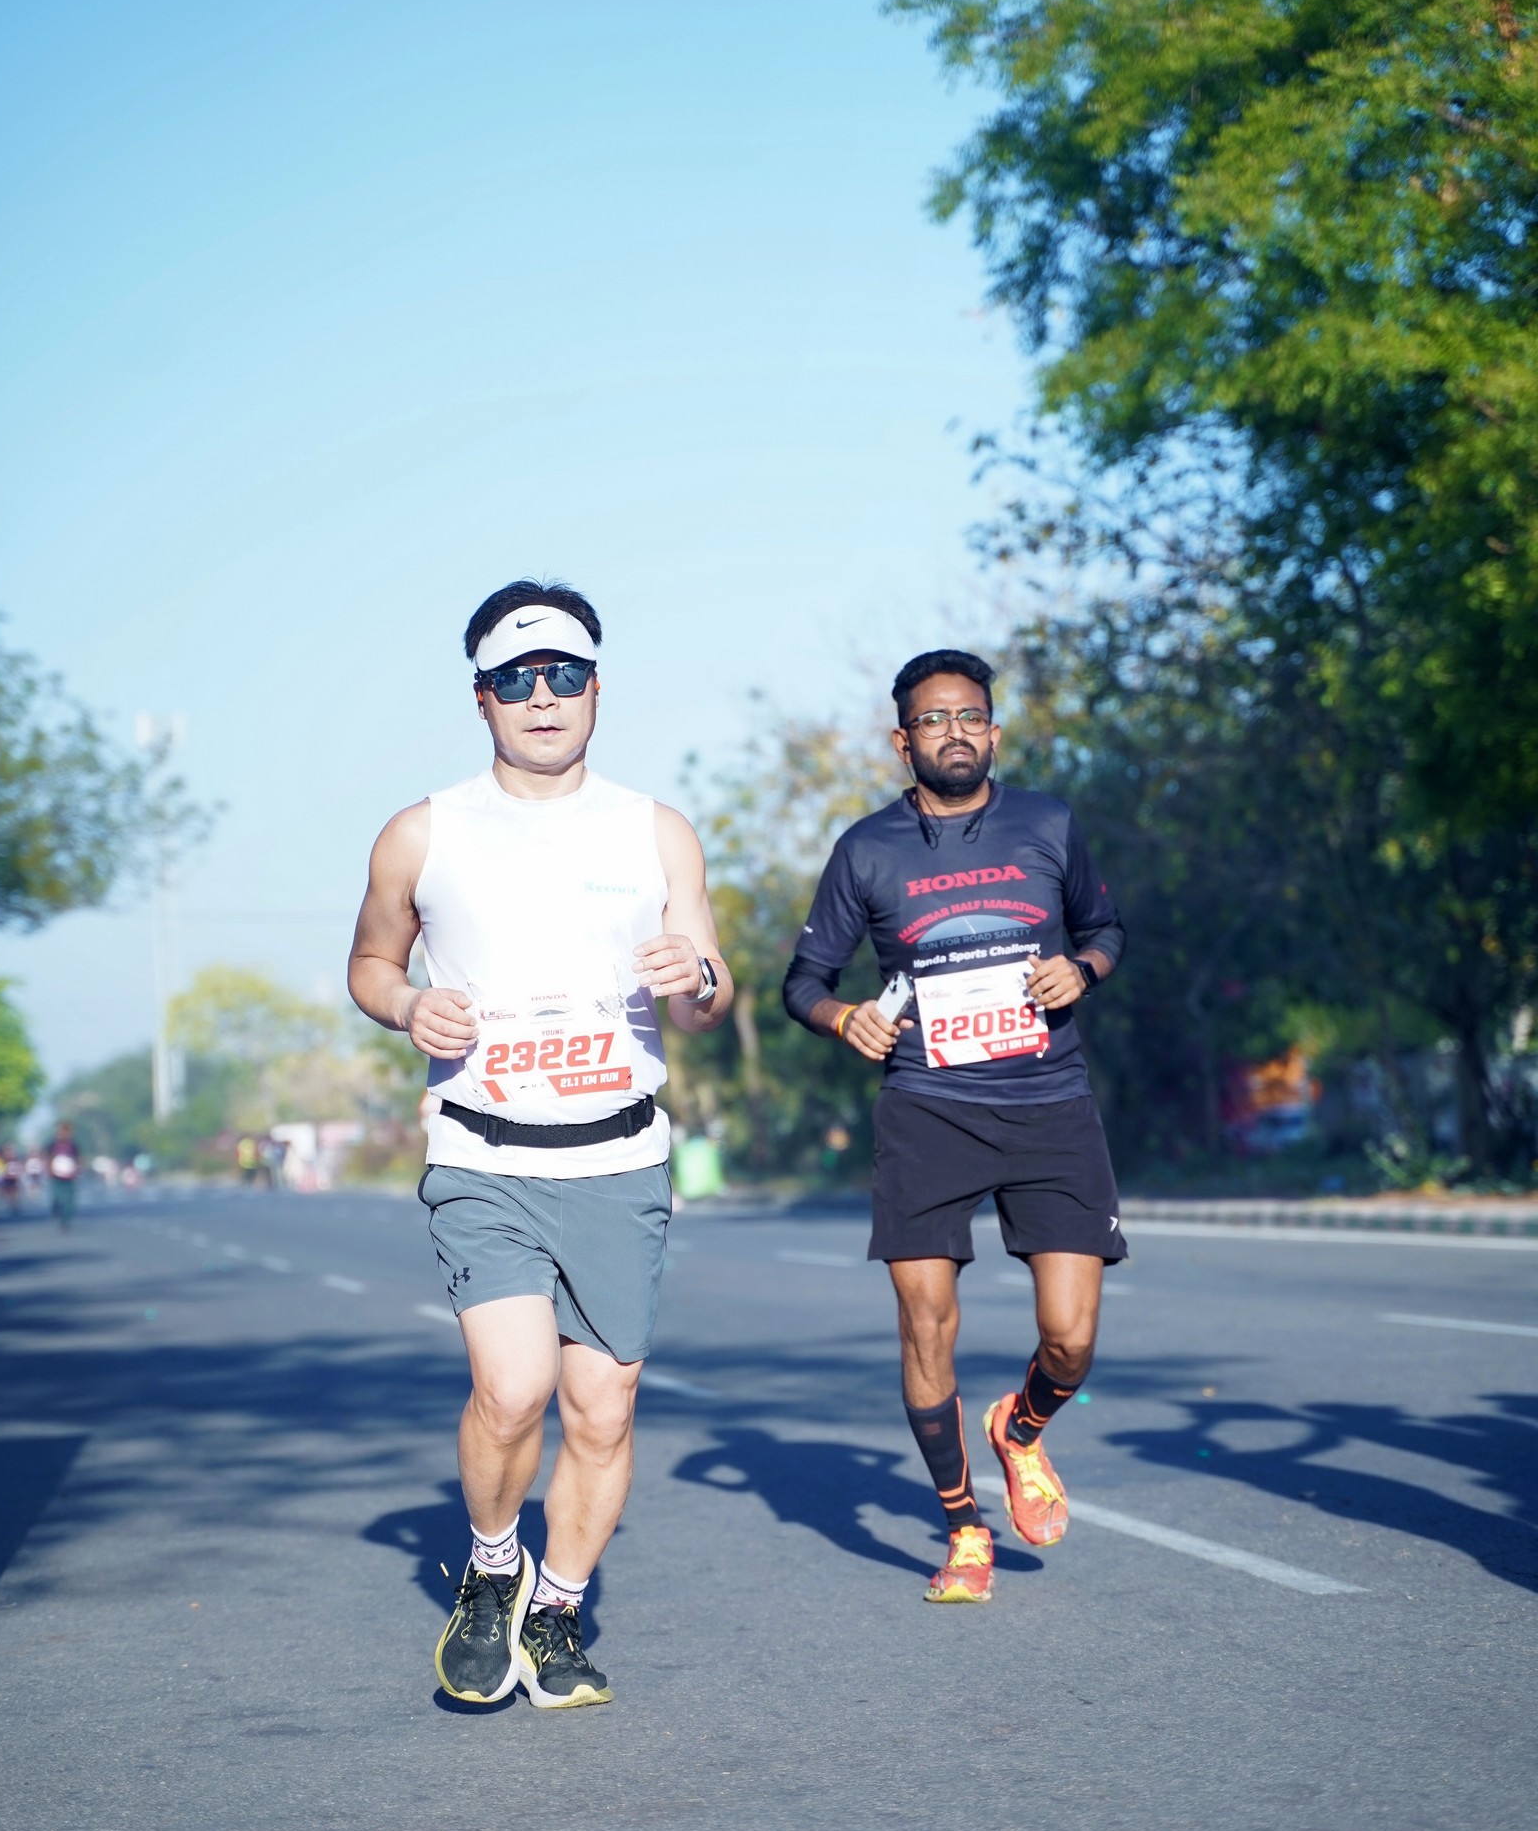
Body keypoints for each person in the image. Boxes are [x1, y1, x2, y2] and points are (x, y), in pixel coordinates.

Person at [349, 579, 733, 1709]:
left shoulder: (654, 830)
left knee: (602, 1409)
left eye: (564, 674)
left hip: (619, 1157)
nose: (543, 697)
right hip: (486, 1153)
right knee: (513, 1390)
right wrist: (406, 1005)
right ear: (482, 698)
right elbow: (370, 964)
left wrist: (697, 976)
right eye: (516, 680)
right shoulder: (423, 832)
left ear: (596, 687)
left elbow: (706, 996)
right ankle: (491, 1567)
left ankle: (555, 1612)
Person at [783, 648, 1126, 1604]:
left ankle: (1021, 1427)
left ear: (994, 731)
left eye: (970, 715)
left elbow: (1106, 930)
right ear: (904, 742)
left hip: (1049, 1102)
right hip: (928, 1108)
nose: (955, 732)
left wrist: (1082, 971)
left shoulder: (1047, 824)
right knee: (926, 1324)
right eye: (933, 720)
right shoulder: (867, 850)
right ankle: (965, 1527)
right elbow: (803, 982)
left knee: (1071, 1339)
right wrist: (844, 1018)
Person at [46, 1122, 82, 1228]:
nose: (64, 1134)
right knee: (58, 1197)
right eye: (62, 1131)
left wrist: (78, 1169)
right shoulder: (53, 1145)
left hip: (70, 1177)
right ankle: (56, 1208)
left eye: (66, 1131)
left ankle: (65, 1219)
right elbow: (48, 1158)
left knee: (69, 1200)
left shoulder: (73, 1145)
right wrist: (49, 1170)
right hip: (57, 1176)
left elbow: (78, 1159)